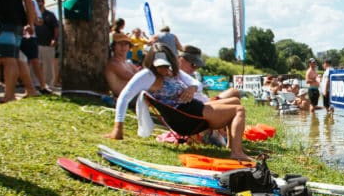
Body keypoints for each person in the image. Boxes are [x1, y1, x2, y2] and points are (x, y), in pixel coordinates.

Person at [107, 47, 252, 161]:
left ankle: (232, 145)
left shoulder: (172, 71)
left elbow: (195, 83)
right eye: (161, 66)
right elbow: (125, 96)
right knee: (239, 109)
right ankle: (236, 152)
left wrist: (192, 88)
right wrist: (118, 128)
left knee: (234, 100)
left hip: (194, 108)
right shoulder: (147, 76)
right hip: (187, 117)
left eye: (167, 65)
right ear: (152, 63)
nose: (165, 70)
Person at [20, 0, 51, 95]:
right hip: (16, 34)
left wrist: (31, 14)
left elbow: (39, 21)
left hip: (30, 36)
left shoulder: (31, 1)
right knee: (21, 62)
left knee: (34, 61)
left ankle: (42, 85)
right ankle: (28, 88)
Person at [104, 31, 140, 96]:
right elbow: (138, 78)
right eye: (120, 44)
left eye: (126, 44)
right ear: (113, 46)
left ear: (129, 47)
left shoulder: (128, 63)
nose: (123, 46)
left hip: (134, 95)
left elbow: (141, 76)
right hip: (126, 97)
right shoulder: (113, 64)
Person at [35, 0, 59, 89]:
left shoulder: (50, 15)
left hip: (48, 43)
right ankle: (38, 84)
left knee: (48, 65)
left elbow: (56, 28)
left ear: (42, 2)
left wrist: (55, 39)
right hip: (36, 43)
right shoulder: (33, 14)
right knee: (37, 64)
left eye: (38, 2)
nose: (37, 4)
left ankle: (49, 84)